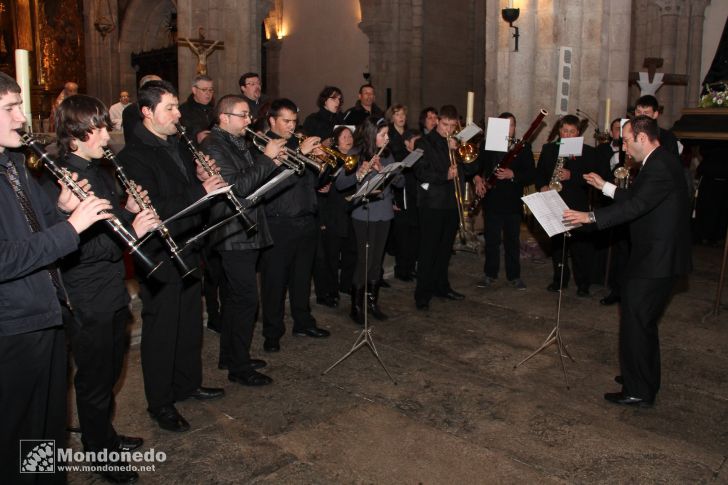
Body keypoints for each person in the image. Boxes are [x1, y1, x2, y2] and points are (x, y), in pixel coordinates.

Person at [0, 71, 112, 483]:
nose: (21, 119)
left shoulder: (13, 162)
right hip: (11, 326)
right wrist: (73, 227)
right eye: (10, 109)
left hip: (46, 314)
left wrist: (63, 209)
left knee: (46, 429)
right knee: (16, 433)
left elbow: (36, 228)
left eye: (20, 107)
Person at [52, 94, 159, 483]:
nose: (106, 134)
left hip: (111, 286)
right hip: (88, 291)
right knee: (95, 379)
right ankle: (100, 455)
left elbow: (107, 223)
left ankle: (106, 436)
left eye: (104, 125)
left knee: (111, 370)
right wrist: (134, 230)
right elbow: (83, 242)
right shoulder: (66, 176)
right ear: (74, 136)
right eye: (96, 128)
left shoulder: (99, 170)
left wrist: (129, 208)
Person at [117, 80, 228, 433]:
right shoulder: (132, 156)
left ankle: (187, 383)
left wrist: (200, 176)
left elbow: (183, 189)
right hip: (160, 253)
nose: (178, 114)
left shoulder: (178, 143)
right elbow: (154, 207)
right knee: (162, 329)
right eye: (170, 108)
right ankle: (160, 402)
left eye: (177, 107)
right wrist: (200, 190)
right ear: (147, 112)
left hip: (190, 242)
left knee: (190, 322)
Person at [563, 115, 691, 407]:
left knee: (636, 320)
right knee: (641, 320)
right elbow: (639, 196)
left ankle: (639, 390)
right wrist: (605, 186)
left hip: (658, 260)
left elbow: (636, 206)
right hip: (654, 256)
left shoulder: (659, 165)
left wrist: (590, 217)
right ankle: (641, 376)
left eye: (626, 140)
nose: (623, 146)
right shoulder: (660, 161)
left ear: (642, 138)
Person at [200, 95, 286, 386]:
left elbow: (253, 182)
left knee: (237, 300)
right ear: (224, 117)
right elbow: (237, 188)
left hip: (246, 228)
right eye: (243, 115)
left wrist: (272, 161)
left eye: (249, 115)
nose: (249, 121)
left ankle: (231, 355)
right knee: (246, 299)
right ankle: (239, 366)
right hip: (232, 232)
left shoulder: (238, 142)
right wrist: (266, 158)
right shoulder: (213, 144)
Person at [259, 98, 331, 353]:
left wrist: (323, 165)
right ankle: (272, 332)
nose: (291, 126)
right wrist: (301, 155)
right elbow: (268, 182)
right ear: (272, 120)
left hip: (306, 217)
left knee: (302, 278)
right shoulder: (262, 145)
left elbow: (313, 179)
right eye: (286, 121)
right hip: (279, 222)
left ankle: (303, 322)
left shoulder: (297, 143)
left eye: (294, 121)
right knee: (274, 282)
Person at [336, 117, 403, 323]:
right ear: (372, 135)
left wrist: (384, 171)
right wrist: (359, 172)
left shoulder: (389, 155)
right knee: (364, 260)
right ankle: (356, 307)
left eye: (387, 134)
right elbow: (339, 183)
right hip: (363, 213)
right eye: (383, 134)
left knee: (377, 260)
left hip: (384, 213)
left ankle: (372, 302)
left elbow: (401, 182)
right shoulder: (356, 153)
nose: (387, 138)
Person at [535, 114, 597, 297]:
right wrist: (543, 186)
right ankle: (559, 280)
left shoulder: (587, 152)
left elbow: (592, 180)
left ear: (578, 133)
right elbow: (539, 175)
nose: (568, 135)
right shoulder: (548, 149)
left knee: (580, 249)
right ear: (559, 132)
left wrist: (573, 176)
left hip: (577, 205)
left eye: (572, 132)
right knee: (558, 247)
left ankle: (583, 284)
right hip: (554, 203)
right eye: (564, 131)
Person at [473, 112, 536, 289]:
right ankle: (489, 274)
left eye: (512, 125)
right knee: (491, 240)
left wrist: (513, 174)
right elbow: (478, 167)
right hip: (492, 199)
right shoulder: (487, 144)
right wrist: (477, 178)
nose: (510, 128)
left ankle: (514, 276)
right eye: (506, 125)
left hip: (512, 201)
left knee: (512, 241)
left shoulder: (523, 147)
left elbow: (531, 174)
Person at [413, 105, 468, 310]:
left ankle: (441, 286)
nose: (448, 129)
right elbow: (420, 171)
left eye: (453, 126)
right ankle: (422, 293)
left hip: (452, 203)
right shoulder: (423, 143)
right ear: (438, 121)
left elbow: (471, 168)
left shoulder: (456, 142)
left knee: (445, 249)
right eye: (445, 124)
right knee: (428, 250)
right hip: (432, 204)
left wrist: (459, 151)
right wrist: (444, 175)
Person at [303, 86, 346, 307]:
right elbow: (309, 149)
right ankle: (323, 291)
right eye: (333, 98)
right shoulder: (313, 119)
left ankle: (334, 287)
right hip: (319, 183)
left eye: (339, 99)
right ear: (324, 100)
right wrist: (325, 144)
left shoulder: (343, 120)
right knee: (320, 249)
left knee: (333, 245)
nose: (337, 102)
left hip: (336, 186)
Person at [122, 74, 161, 144]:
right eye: (158, 88)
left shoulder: (161, 107)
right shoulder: (131, 110)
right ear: (145, 89)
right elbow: (134, 138)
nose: (163, 91)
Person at [179, 74, 216, 144]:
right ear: (194, 90)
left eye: (211, 90)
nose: (208, 93)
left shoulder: (215, 110)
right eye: (204, 90)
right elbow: (180, 136)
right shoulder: (183, 111)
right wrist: (196, 137)